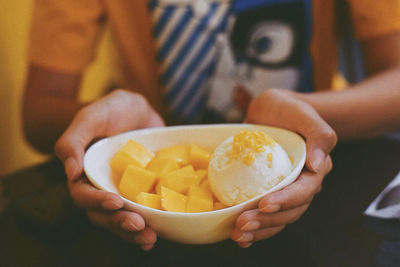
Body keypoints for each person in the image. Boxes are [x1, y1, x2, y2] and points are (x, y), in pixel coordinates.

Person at [23, 0, 400, 250]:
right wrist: (119, 126)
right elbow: (38, 114)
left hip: (320, 207)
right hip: (147, 231)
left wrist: (308, 115)